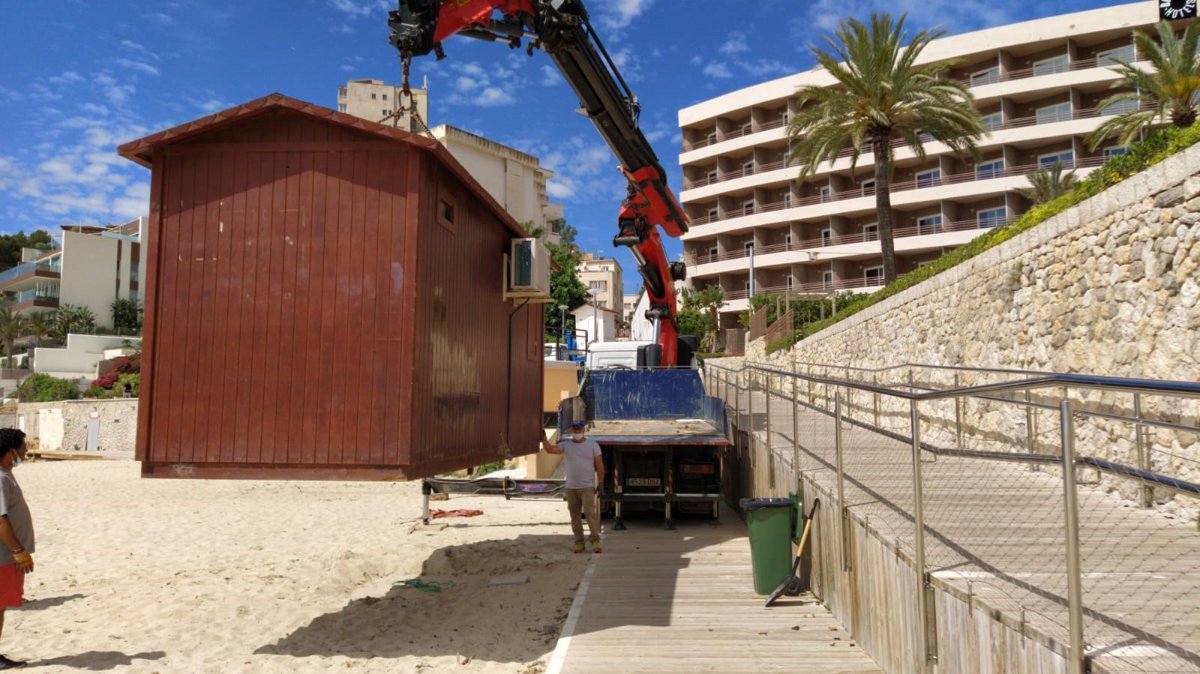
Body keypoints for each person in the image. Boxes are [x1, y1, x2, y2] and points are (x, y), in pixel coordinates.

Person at [541, 418, 604, 554]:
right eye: (575, 428)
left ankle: (595, 541)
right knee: (575, 516)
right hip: (571, 487)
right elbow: (550, 450)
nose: (577, 430)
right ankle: (579, 543)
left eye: (579, 428)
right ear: (572, 430)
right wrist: (544, 438)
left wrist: (601, 483)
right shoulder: (566, 445)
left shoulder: (593, 445)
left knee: (590, 514)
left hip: (587, 486)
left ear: (584, 429)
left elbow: (599, 465)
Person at [0, 429, 32, 670]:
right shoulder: (0, 479)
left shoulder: (6, 475)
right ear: (11, 451)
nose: (26, 450)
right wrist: (18, 551)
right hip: (3, 556)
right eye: (23, 446)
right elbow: (0, 519)